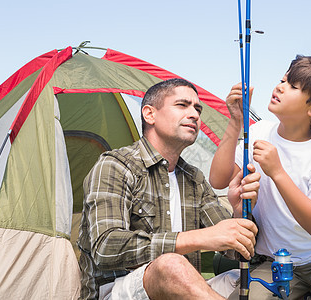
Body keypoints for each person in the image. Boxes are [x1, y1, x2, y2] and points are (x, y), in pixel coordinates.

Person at [77, 78, 261, 300]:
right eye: (182, 105)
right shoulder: (115, 166)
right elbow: (106, 247)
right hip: (116, 291)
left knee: (251, 278)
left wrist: (239, 212)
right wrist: (200, 238)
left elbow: (238, 251)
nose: (194, 114)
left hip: (180, 286)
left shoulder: (194, 178)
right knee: (171, 263)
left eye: (198, 109)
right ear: (150, 114)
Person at [209, 55, 311, 299]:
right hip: (276, 261)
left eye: (292, 86)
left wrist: (277, 173)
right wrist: (235, 123)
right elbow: (219, 180)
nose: (279, 87)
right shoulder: (259, 132)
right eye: (282, 80)